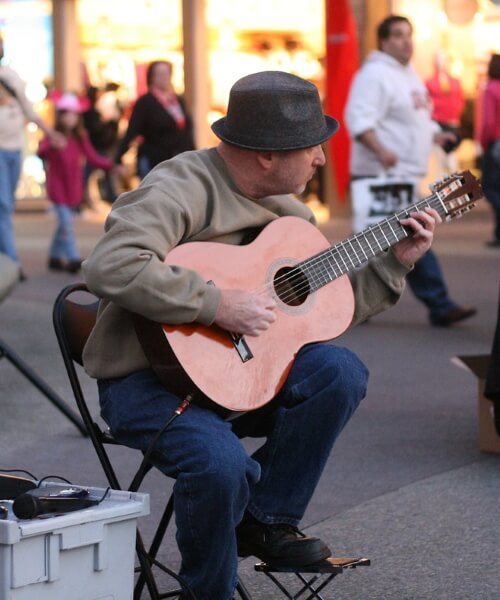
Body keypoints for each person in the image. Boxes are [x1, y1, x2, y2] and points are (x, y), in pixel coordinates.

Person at [82, 71, 442, 600]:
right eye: (312, 147)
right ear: (268, 155)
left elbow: (322, 311)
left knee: (340, 371)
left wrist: (393, 264)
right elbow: (110, 265)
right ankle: (211, 591)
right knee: (221, 463)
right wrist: (216, 304)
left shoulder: (290, 213)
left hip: (243, 380)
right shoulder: (179, 185)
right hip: (147, 383)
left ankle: (265, 520)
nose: (322, 159)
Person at [345, 15, 477, 327]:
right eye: (399, 35)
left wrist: (435, 133)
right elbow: (358, 119)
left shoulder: (408, 74)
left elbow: (416, 117)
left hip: (400, 174)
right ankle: (439, 304)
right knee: (413, 231)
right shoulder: (374, 75)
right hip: (380, 174)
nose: (407, 41)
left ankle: (347, 300)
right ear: (384, 41)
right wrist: (381, 151)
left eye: (409, 34)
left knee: (369, 240)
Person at [0, 33, 64, 278]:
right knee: (3, 206)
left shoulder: (11, 76)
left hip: (15, 147)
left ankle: (6, 257)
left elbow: (30, 110)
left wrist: (51, 133)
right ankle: (13, 263)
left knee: (7, 205)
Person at [38, 93, 123, 273]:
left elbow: (93, 157)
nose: (70, 118)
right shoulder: (54, 136)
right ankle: (73, 258)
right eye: (67, 114)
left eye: (74, 114)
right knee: (67, 224)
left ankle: (54, 256)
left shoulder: (80, 138)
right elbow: (41, 151)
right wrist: (52, 144)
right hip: (58, 189)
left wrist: (112, 166)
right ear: (60, 116)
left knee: (63, 224)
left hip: (73, 188)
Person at [114, 60, 195, 179]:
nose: (165, 77)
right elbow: (132, 131)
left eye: (167, 73)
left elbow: (187, 131)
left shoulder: (178, 100)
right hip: (155, 163)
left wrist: (194, 156)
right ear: (152, 78)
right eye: (160, 74)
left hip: (180, 162)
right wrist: (118, 158)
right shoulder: (145, 102)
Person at [425, 50, 465, 176]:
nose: (441, 63)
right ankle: (441, 184)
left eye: (443, 60)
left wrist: (456, 111)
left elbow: (460, 99)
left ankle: (454, 184)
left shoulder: (455, 82)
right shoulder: (430, 82)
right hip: (437, 122)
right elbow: (427, 102)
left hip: (452, 121)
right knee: (439, 157)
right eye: (438, 60)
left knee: (452, 156)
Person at [478, 53, 500, 248]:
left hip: (496, 142)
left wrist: (483, 144)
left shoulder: (491, 89)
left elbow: (489, 122)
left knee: (490, 186)